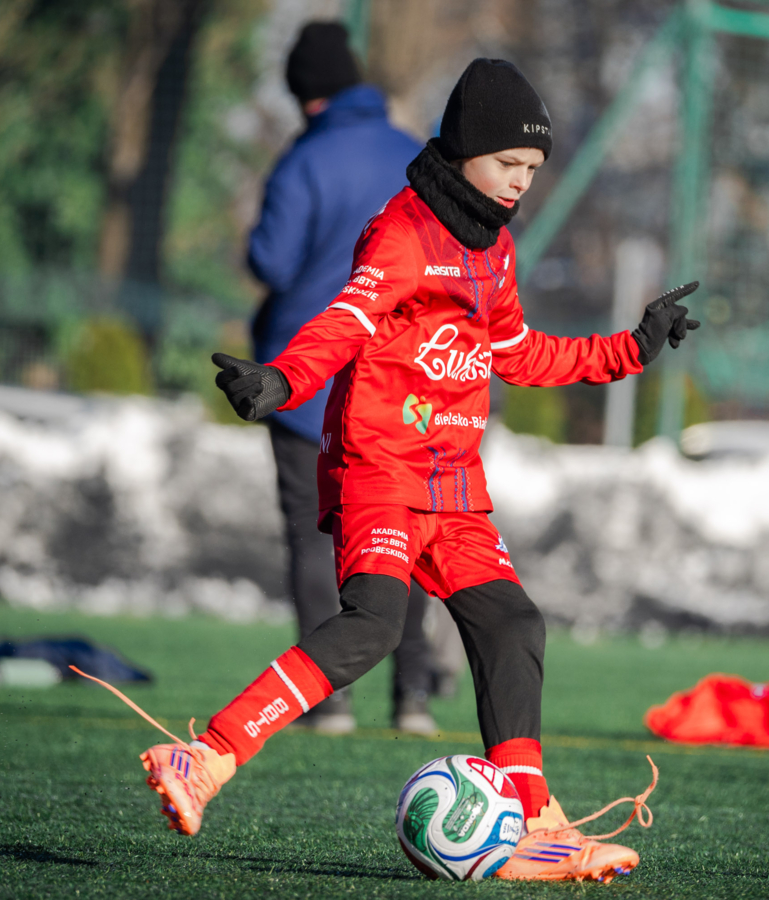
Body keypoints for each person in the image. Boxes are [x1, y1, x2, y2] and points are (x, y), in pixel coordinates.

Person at [132, 58, 698, 882]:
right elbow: (346, 320)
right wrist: (283, 380)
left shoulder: (497, 249)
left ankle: (532, 820)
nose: (520, 182)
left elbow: (518, 352)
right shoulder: (401, 234)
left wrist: (631, 348)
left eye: (533, 169)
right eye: (508, 163)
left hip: (454, 488)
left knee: (513, 624)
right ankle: (207, 756)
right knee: (373, 625)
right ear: (464, 150)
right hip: (380, 473)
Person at [247, 21, 434, 735]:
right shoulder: (414, 154)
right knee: (407, 533)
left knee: (312, 535)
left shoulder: (303, 161)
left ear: (305, 96)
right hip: (401, 383)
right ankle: (412, 698)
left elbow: (272, 261)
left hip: (307, 382)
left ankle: (328, 703)